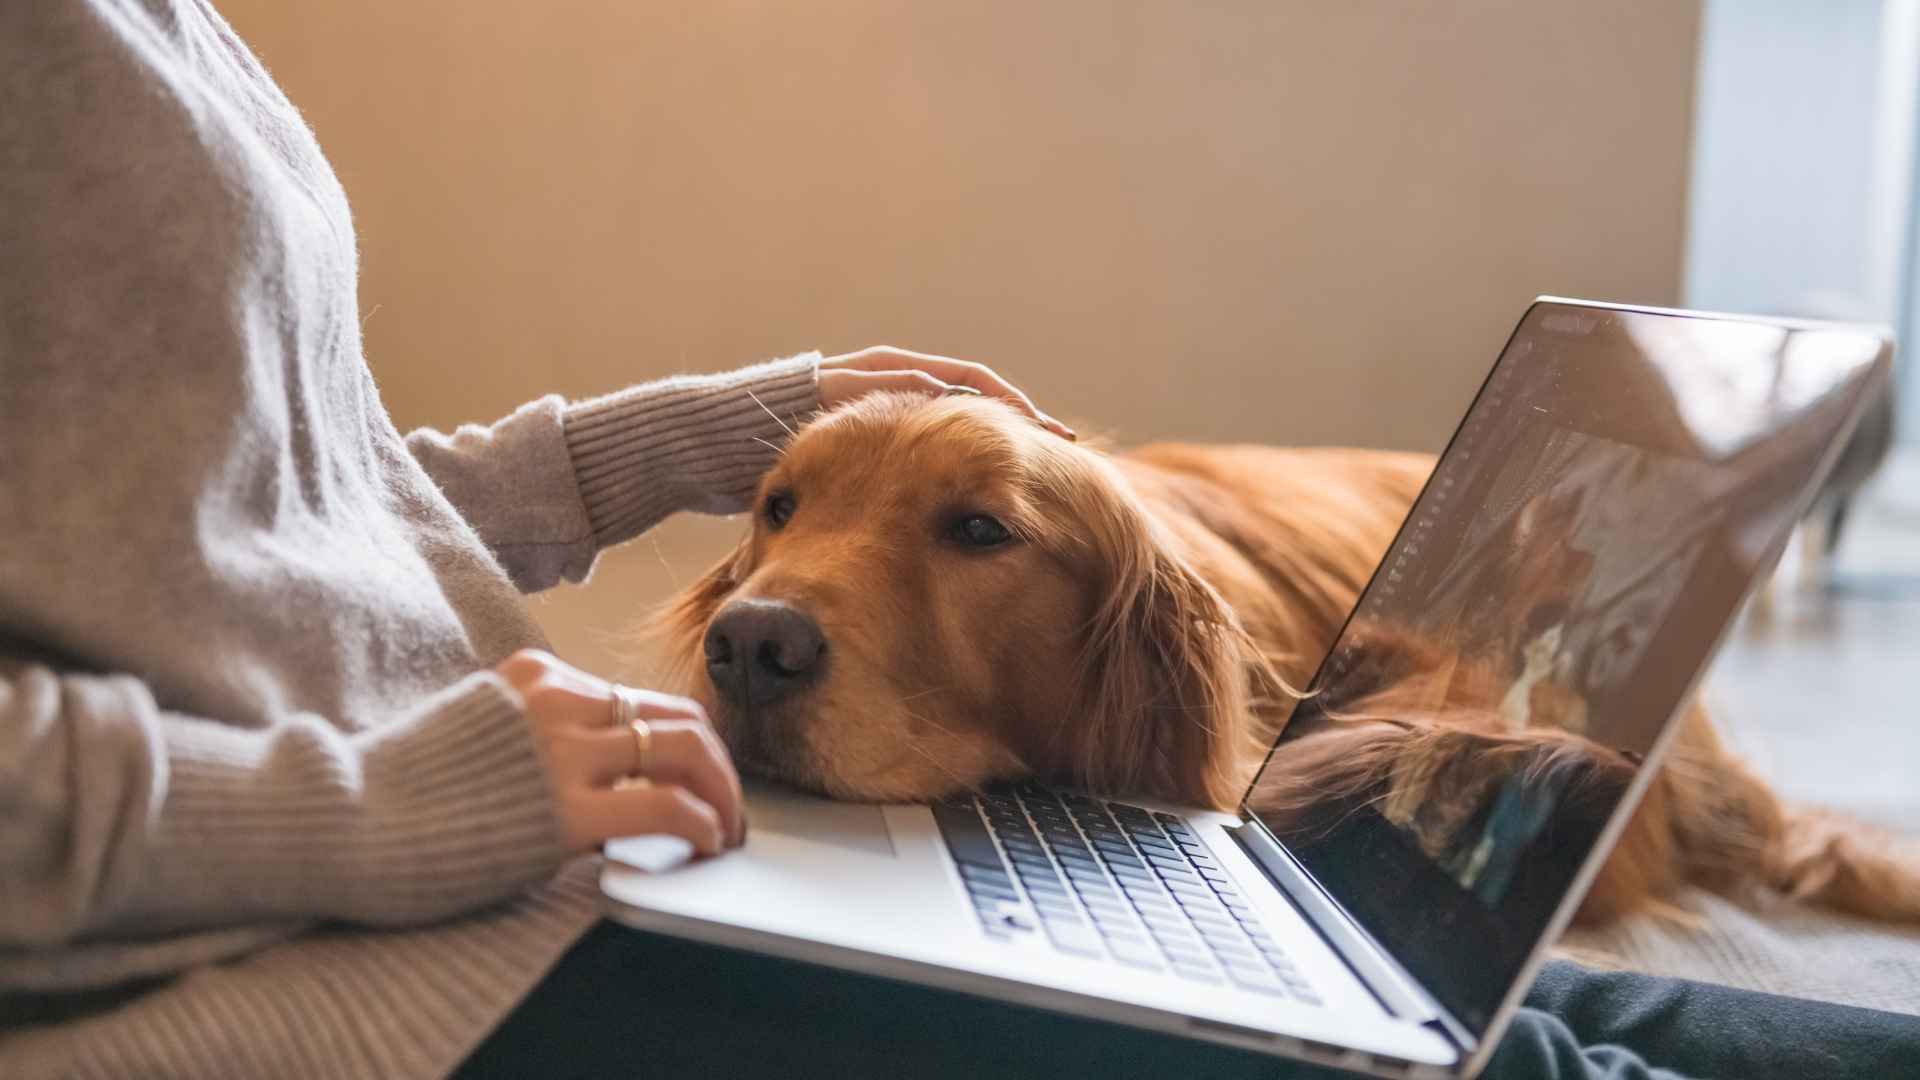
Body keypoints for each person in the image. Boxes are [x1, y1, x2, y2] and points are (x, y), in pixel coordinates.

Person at [5, 2, 1919, 1078]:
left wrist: (698, 438)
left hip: (483, 846)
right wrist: (383, 807)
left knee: (1474, 996)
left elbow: (256, 489)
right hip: (294, 959)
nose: (766, 607)